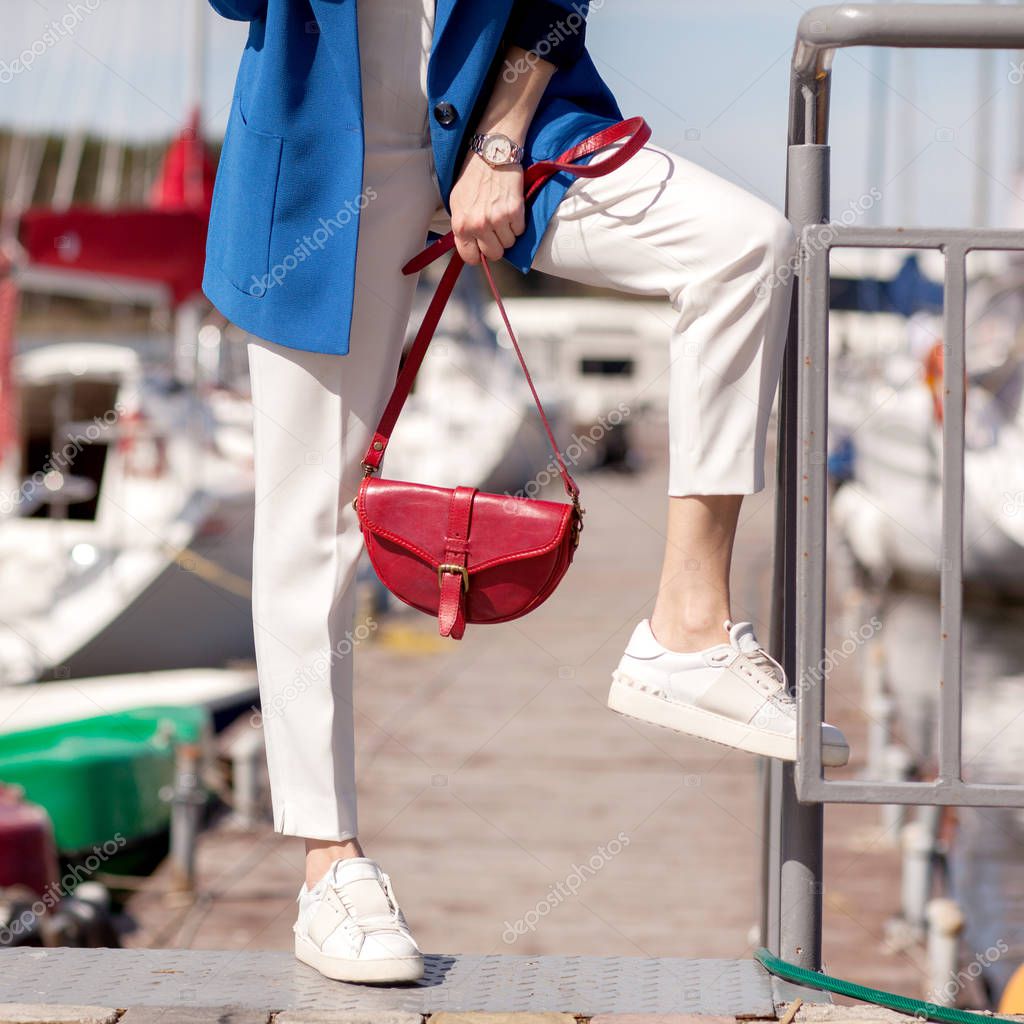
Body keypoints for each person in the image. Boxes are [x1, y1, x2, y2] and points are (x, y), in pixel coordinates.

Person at [204, 0, 850, 985]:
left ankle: (686, 628)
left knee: (744, 245)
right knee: (309, 520)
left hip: (514, 125)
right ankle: (328, 866)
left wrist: (501, 142)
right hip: (319, 159)